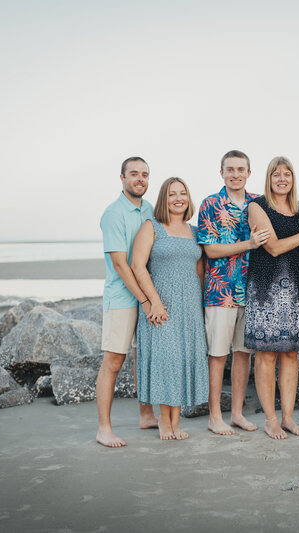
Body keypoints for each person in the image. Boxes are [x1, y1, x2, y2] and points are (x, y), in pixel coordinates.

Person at [245, 157, 299, 439]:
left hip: (295, 290)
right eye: (276, 175)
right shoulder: (257, 207)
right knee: (267, 354)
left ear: (293, 179)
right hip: (266, 290)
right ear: (268, 179)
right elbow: (272, 248)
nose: (282, 179)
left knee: (291, 354)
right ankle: (270, 419)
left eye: (287, 174)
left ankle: (288, 418)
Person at [197, 150, 270, 435]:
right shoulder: (210, 204)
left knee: (243, 354)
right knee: (217, 354)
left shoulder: (258, 204)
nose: (235, 174)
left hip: (251, 291)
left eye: (241, 169)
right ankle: (215, 416)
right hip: (220, 291)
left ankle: (237, 414)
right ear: (222, 172)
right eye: (230, 169)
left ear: (249, 173)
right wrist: (248, 245)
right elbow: (211, 250)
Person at [131, 177, 209, 440]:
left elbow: (199, 271)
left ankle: (177, 421)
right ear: (164, 199)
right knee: (166, 361)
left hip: (189, 307)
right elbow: (137, 266)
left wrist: (201, 305)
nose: (178, 198)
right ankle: (164, 420)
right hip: (160, 305)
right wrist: (153, 301)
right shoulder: (151, 227)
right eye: (172, 194)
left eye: (183, 193)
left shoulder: (196, 231)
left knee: (182, 360)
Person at [96, 156, 158, 448]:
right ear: (121, 178)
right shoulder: (113, 214)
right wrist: (145, 300)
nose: (140, 179)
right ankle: (104, 428)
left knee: (142, 357)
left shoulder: (149, 210)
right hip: (122, 298)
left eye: (144, 174)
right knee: (113, 361)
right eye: (134, 174)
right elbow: (121, 265)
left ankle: (146, 415)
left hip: (145, 294)